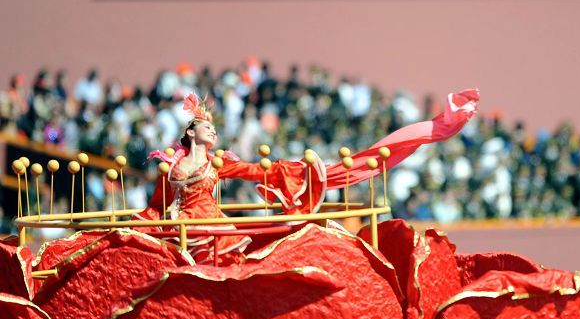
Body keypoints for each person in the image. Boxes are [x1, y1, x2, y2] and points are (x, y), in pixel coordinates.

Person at [135, 90, 480, 264]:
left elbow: (258, 171)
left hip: (214, 225)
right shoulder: (173, 165)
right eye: (205, 127)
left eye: (212, 127)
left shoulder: (219, 163)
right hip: (186, 228)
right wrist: (148, 221)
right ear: (191, 132)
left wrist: (294, 170)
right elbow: (159, 202)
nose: (212, 132)